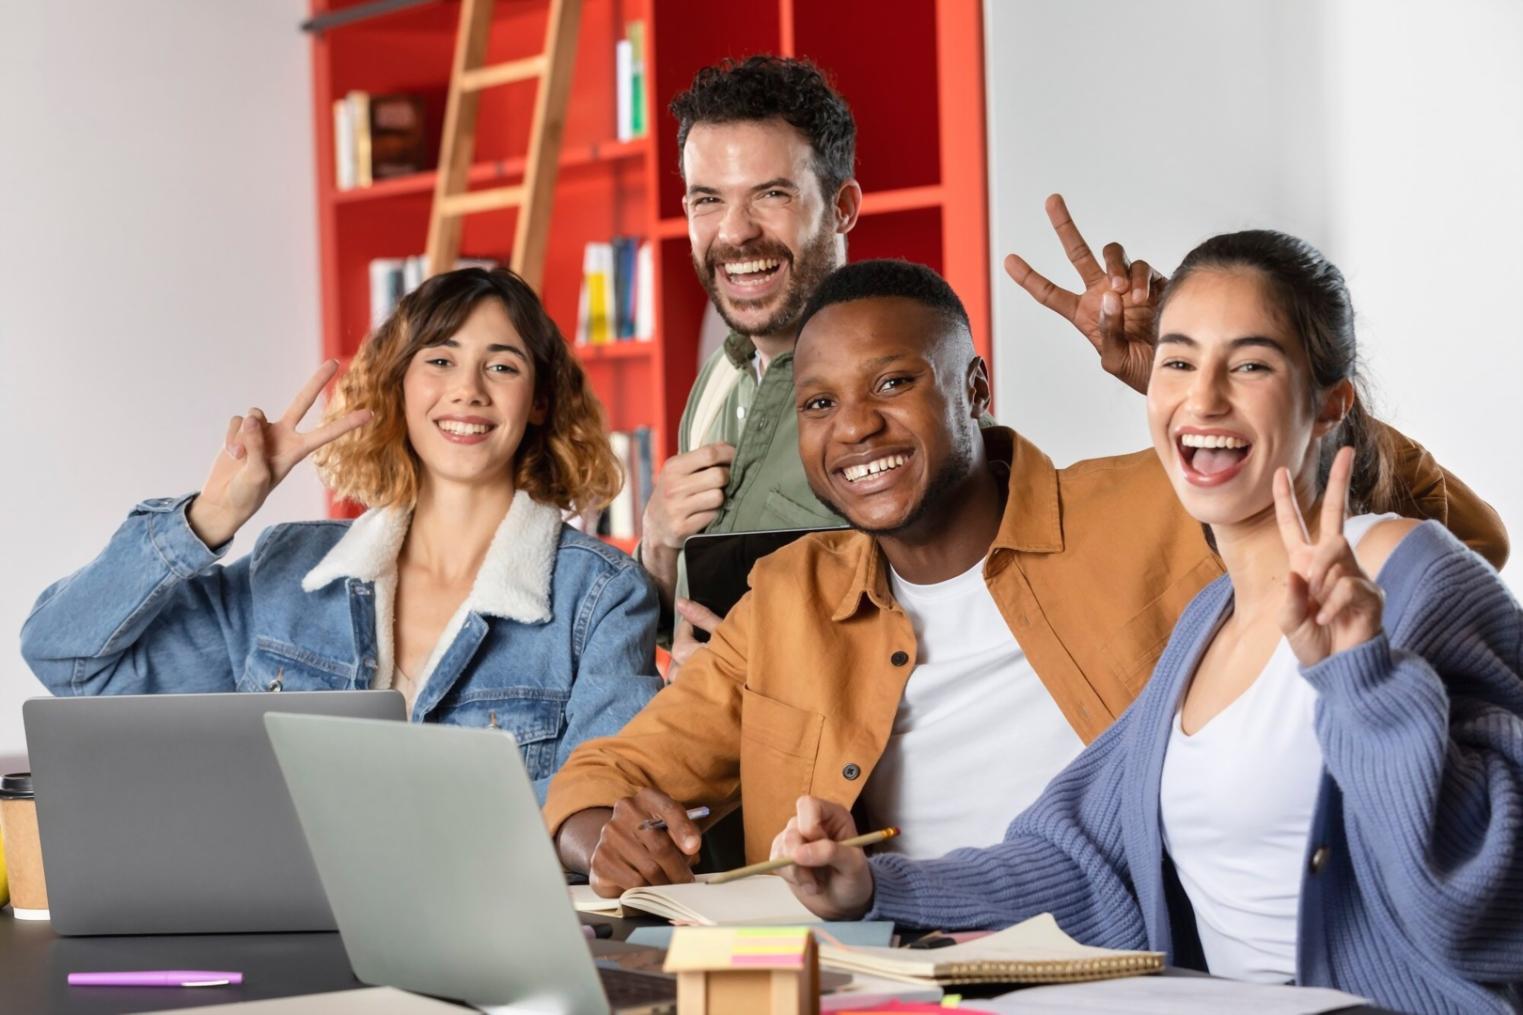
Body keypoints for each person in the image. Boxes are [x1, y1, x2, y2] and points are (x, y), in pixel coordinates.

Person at [543, 258, 1509, 897]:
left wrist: (1203, 389)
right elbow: (599, 777)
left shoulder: (1152, 504)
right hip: (896, 961)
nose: (853, 430)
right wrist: (601, 839)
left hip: (1131, 960)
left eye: (892, 383)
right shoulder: (789, 596)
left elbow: (1457, 537)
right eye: (819, 403)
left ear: (973, 388)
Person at [773, 235, 1523, 1014]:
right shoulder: (1205, 626)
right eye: (1176, 362)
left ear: (1330, 400)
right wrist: (872, 883)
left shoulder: (1407, 572)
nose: (1202, 400)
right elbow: (1081, 857)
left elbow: (1491, 899)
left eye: (1250, 364)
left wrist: (1364, 682)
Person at [21, 267, 663, 802]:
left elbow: (602, 803)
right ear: (400, 387)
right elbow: (67, 657)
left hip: (484, 939)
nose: (466, 391)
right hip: (284, 922)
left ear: (540, 401)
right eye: (439, 360)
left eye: (501, 367)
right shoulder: (287, 573)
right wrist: (210, 518)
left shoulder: (600, 597)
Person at [637, 55, 860, 659]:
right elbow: (681, 624)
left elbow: (949, 611)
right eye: (707, 199)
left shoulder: (899, 377)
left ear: (841, 208)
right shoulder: (720, 375)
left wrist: (732, 682)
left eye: (770, 194)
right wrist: (658, 542)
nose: (734, 232)